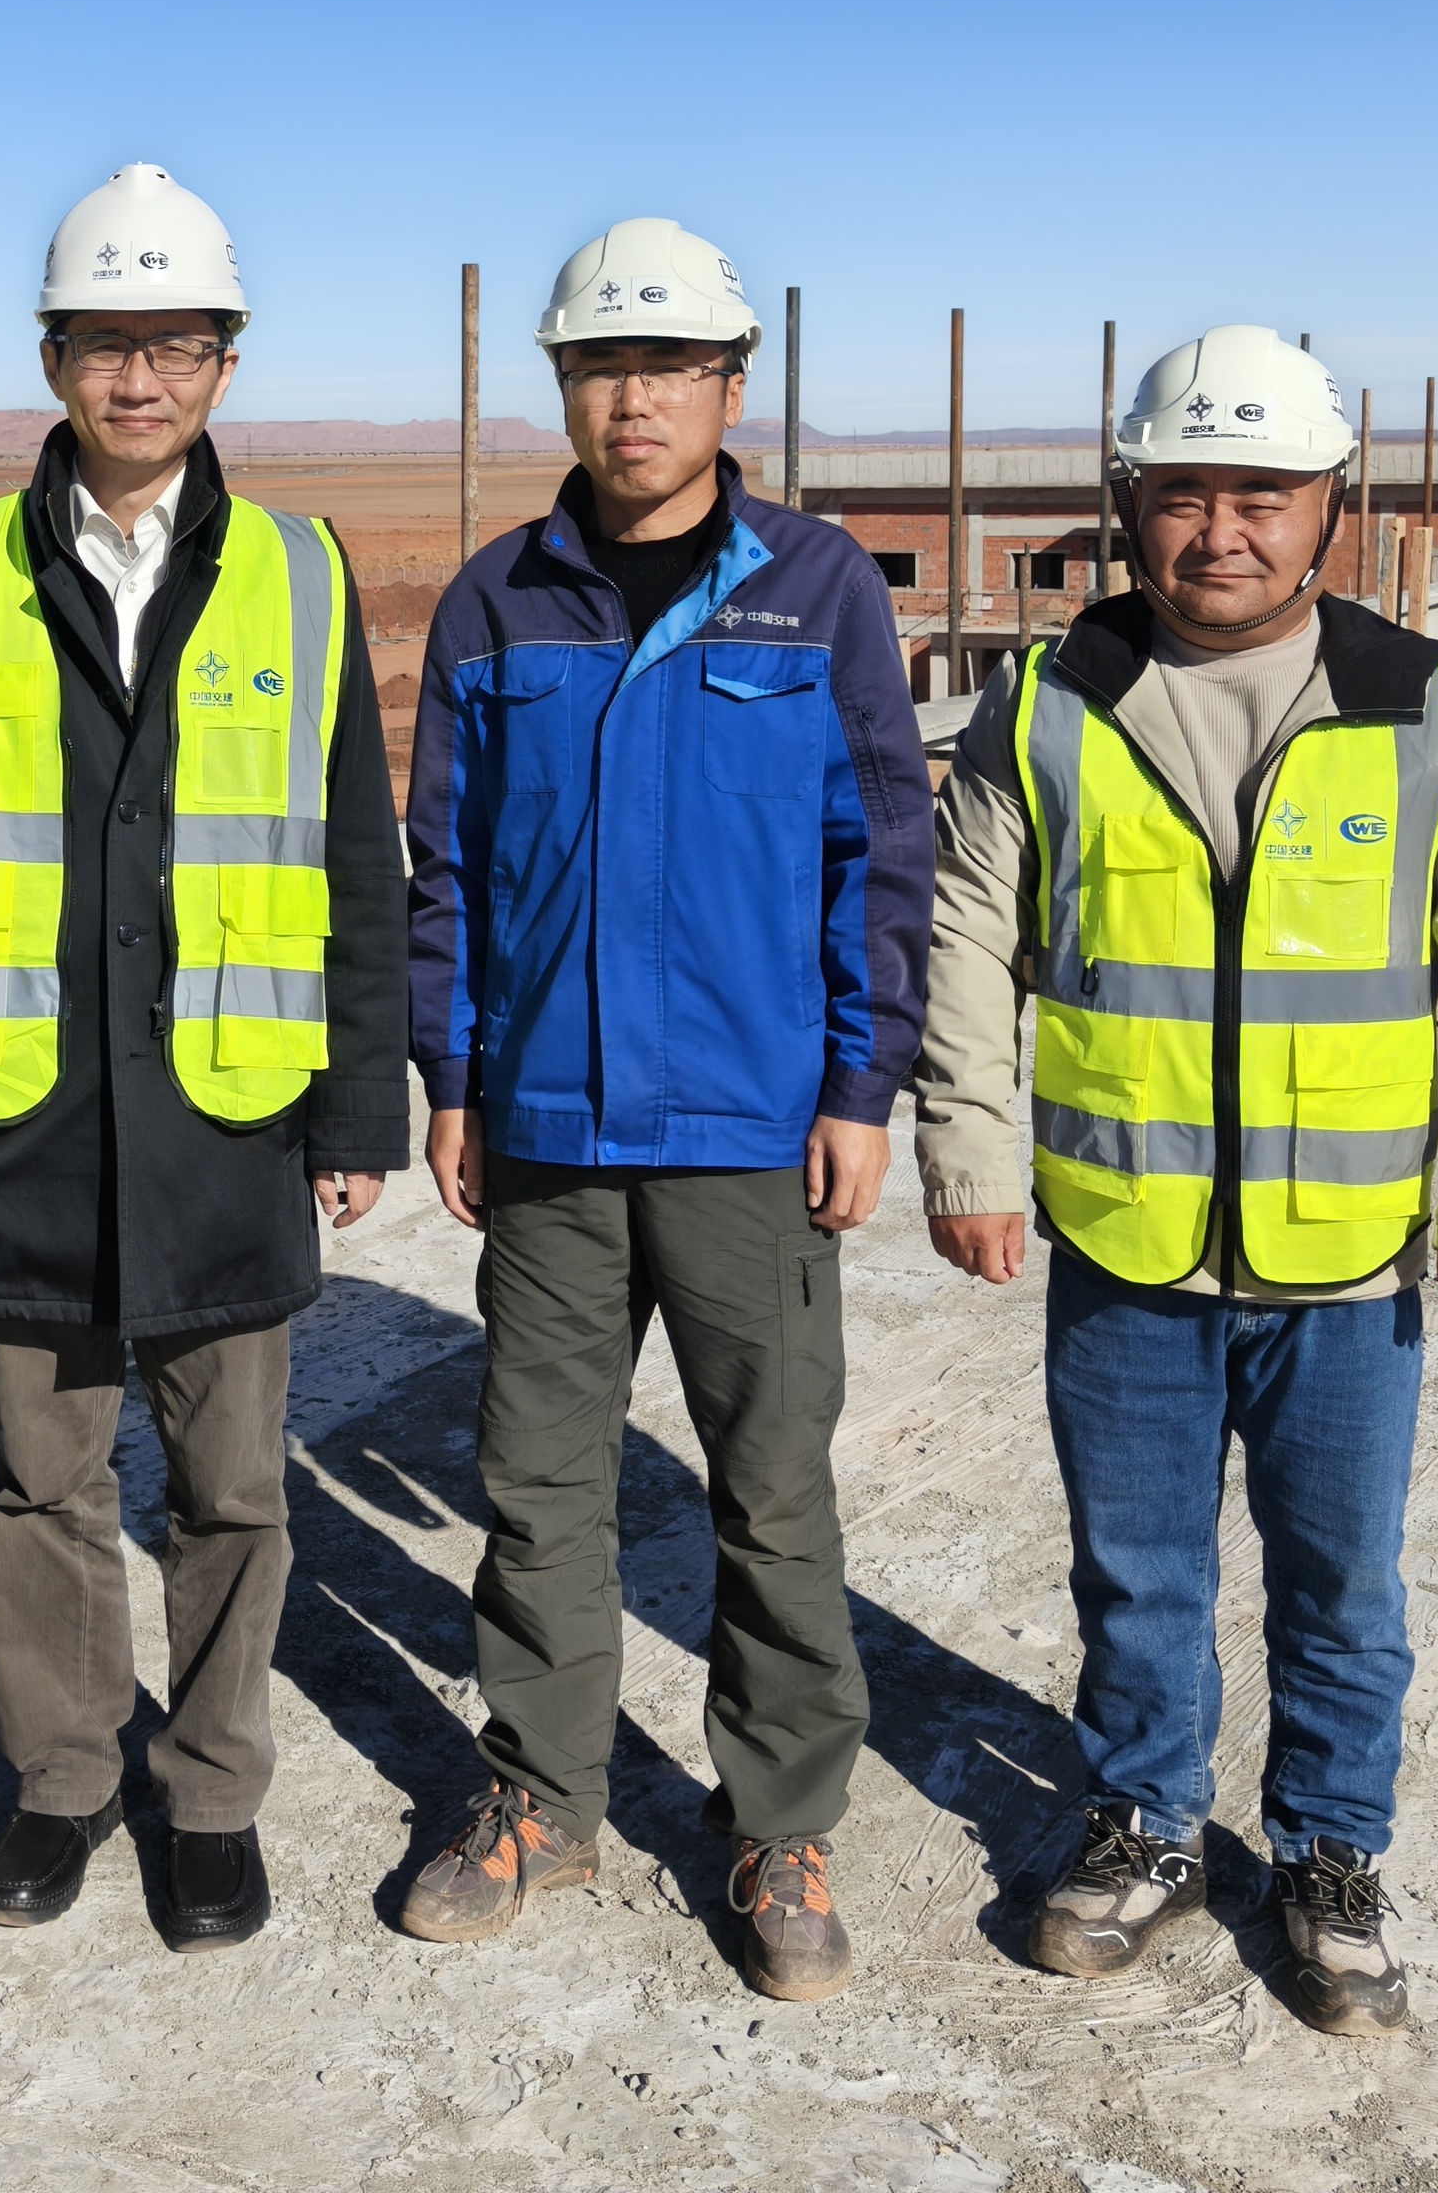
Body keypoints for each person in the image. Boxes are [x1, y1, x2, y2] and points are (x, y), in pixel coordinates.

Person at [914, 323, 1438, 2036]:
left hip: (1348, 1254)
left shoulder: (1423, 706)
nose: (1223, 531)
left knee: (1341, 1583)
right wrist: (969, 1151)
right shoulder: (1050, 706)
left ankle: (1331, 1855)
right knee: (1138, 1570)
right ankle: (1145, 1820)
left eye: (1262, 495)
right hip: (1124, 1237)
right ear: (1129, 502)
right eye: (1185, 493)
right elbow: (965, 939)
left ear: (1331, 506)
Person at [0, 163, 409, 1953]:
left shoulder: (299, 573)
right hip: (12, 1104)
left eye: (175, 345)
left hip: (227, 1110)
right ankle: (65, 1779)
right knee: (40, 1483)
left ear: (226, 363)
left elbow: (355, 849)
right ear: (52, 358)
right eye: (105, 343)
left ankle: (214, 1795)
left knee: (233, 1490)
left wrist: (358, 1101)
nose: (139, 378)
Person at [397, 218, 935, 2005]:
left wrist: (861, 1084)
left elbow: (879, 852)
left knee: (770, 1493)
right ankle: (541, 1794)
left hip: (749, 1131)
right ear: (564, 386)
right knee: (538, 1487)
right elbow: (448, 868)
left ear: (729, 386)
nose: (636, 401)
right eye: (604, 367)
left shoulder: (818, 587)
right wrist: (456, 1077)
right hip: (549, 1130)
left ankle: (780, 1820)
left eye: (671, 368)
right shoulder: (497, 601)